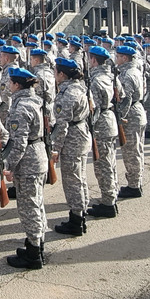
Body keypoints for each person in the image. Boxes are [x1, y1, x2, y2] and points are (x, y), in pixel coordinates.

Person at [3, 67, 48, 270]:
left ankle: (34, 254)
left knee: (29, 208)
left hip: (28, 162)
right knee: (36, 204)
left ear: (17, 85)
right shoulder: (35, 100)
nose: (8, 85)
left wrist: (10, 166)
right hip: (37, 155)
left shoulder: (21, 108)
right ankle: (36, 244)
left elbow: (19, 143)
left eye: (10, 82)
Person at [51, 58, 92, 236]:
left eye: (56, 72)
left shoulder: (67, 94)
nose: (54, 75)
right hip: (81, 134)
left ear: (62, 74)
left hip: (72, 140)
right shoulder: (79, 87)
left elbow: (62, 125)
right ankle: (81, 213)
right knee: (80, 178)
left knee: (72, 181)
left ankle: (76, 220)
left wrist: (56, 149)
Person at [86, 46, 122, 219]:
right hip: (110, 119)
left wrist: (89, 126)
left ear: (94, 60)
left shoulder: (96, 80)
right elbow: (121, 95)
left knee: (103, 165)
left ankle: (108, 203)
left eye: (90, 58)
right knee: (110, 162)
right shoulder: (110, 76)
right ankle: (111, 196)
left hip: (101, 124)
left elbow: (94, 108)